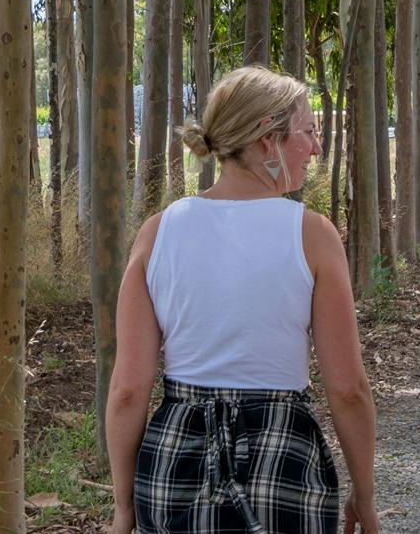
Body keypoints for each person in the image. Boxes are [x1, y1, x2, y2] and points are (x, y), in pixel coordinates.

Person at [107, 66, 379, 534]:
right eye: (308, 132)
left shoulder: (157, 233)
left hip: (175, 462)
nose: (316, 148)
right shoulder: (312, 235)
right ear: (267, 139)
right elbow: (348, 389)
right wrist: (365, 494)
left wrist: (122, 506)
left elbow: (128, 390)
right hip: (284, 457)